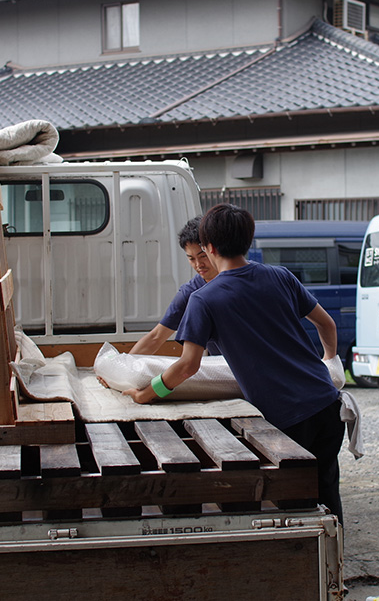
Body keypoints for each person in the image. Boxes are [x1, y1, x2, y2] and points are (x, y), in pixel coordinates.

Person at [124, 203, 345, 523]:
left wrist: (144, 394)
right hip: (327, 405)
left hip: (288, 419)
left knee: (293, 507)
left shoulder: (204, 299)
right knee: (327, 493)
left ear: (209, 247)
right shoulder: (280, 276)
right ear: (248, 240)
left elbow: (187, 366)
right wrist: (330, 364)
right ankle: (333, 566)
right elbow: (327, 325)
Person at [129, 216, 221, 356]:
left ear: (213, 249)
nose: (198, 264)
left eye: (203, 256)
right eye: (191, 258)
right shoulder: (190, 293)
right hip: (224, 370)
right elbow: (156, 337)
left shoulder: (246, 278)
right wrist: (123, 366)